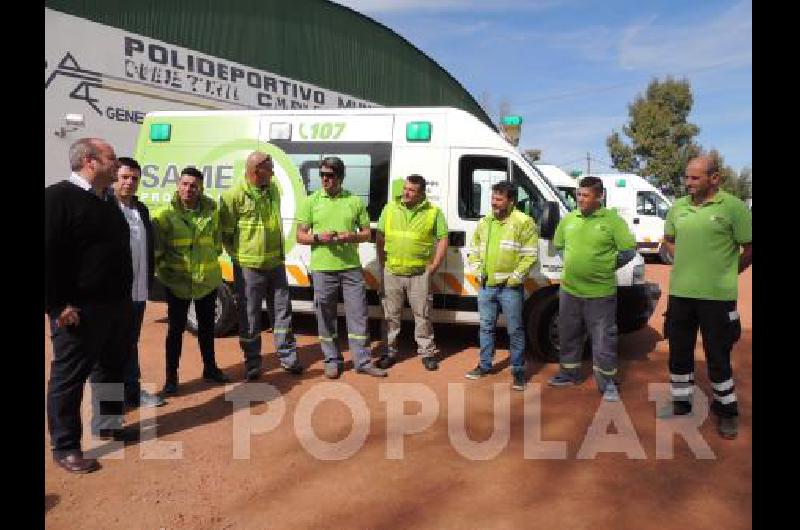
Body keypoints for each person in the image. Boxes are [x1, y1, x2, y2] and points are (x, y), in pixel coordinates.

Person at [45, 137, 134, 473]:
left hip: (115, 307)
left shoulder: (107, 200)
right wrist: (56, 305)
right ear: (90, 161)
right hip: (78, 310)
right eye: (111, 158)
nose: (117, 165)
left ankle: (109, 423)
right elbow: (47, 256)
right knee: (69, 377)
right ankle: (65, 446)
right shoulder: (57, 198)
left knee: (110, 368)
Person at [657, 154, 752, 440]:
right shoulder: (678, 208)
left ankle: (727, 411)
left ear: (715, 178)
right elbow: (669, 240)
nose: (688, 183)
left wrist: (728, 270)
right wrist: (683, 259)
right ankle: (682, 402)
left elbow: (749, 247)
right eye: (686, 177)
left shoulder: (733, 208)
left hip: (717, 297)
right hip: (681, 295)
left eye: (695, 178)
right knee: (679, 351)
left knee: (718, 354)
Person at [295, 156, 387, 379]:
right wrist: (318, 238)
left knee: (358, 315)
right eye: (322, 175)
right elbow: (300, 236)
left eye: (330, 175)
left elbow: (367, 234)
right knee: (326, 317)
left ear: (341, 176)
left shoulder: (354, 201)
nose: (326, 179)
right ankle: (332, 360)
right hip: (322, 268)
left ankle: (362, 361)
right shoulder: (311, 201)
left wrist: (350, 236)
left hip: (350, 268)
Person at [547, 176, 636, 401]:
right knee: (569, 335)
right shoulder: (569, 219)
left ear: (599, 196)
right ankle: (569, 374)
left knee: (603, 340)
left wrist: (606, 267)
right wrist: (572, 264)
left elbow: (628, 251)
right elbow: (558, 246)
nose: (580, 199)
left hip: (600, 293)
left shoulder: (613, 220)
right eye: (578, 194)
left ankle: (607, 384)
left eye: (585, 195)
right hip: (570, 291)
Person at [219, 151, 302, 381]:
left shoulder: (272, 188)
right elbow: (226, 234)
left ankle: (288, 357)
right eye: (270, 168)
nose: (273, 172)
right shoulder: (232, 195)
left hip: (275, 264)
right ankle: (253, 363)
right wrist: (240, 258)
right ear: (257, 171)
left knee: (282, 312)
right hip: (249, 268)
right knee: (250, 316)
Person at [152, 167, 230, 395]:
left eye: (193, 185)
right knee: (175, 332)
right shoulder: (164, 215)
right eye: (184, 184)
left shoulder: (211, 210)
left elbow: (216, 244)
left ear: (201, 188)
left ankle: (210, 369)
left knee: (207, 329)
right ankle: (171, 378)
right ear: (178, 185)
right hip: (178, 284)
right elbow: (158, 251)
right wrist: (168, 274)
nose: (188, 189)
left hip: (207, 281)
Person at [465, 181, 538, 391]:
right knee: (486, 328)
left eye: (499, 199)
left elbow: (530, 256)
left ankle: (518, 372)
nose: (494, 203)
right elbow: (475, 248)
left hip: (510, 288)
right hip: (487, 286)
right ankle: (485, 365)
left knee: (515, 330)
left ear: (511, 201)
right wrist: (478, 271)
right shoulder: (485, 221)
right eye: (493, 198)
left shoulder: (524, 222)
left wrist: (514, 279)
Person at [375, 175, 448, 371]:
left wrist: (434, 266)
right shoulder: (390, 209)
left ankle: (427, 353)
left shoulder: (434, 212)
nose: (406, 193)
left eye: (411, 190)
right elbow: (380, 238)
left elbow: (443, 239)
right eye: (405, 188)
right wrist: (382, 265)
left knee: (422, 315)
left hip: (418, 274)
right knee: (390, 316)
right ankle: (388, 353)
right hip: (392, 271)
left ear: (421, 193)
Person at [111, 157, 166, 408]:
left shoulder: (140, 209)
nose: (129, 183)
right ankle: (112, 402)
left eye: (134, 178)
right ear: (114, 178)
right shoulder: (105, 208)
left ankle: (131, 393)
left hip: (138, 290)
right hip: (112, 294)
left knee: (130, 341)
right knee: (109, 347)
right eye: (124, 177)